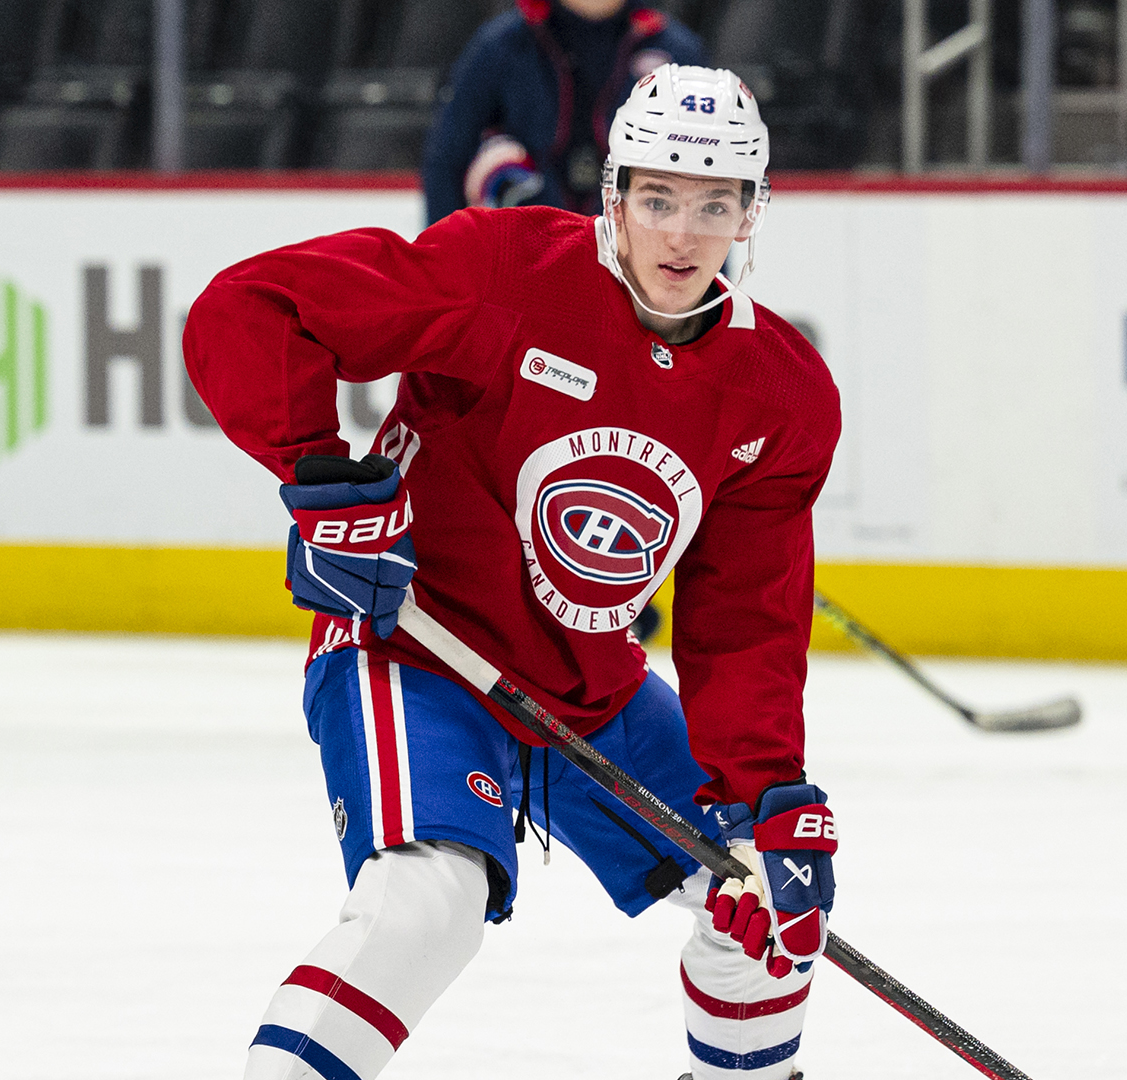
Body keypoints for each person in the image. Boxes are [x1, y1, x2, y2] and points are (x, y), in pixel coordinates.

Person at [184, 64, 838, 1080]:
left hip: (591, 692)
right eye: (657, 198)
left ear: (751, 214)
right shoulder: (502, 270)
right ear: (613, 192)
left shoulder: (780, 394)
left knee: (769, 911)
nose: (680, 234)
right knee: (425, 907)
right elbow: (253, 308)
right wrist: (322, 477)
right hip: (419, 650)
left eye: (714, 205)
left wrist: (766, 796)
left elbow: (745, 621)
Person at [422, 0, 706, 225]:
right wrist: (445, 268)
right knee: (499, 156)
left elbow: (707, 171)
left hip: (637, 255)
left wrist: (714, 286)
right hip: (526, 255)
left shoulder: (677, 50)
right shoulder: (502, 44)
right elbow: (447, 160)